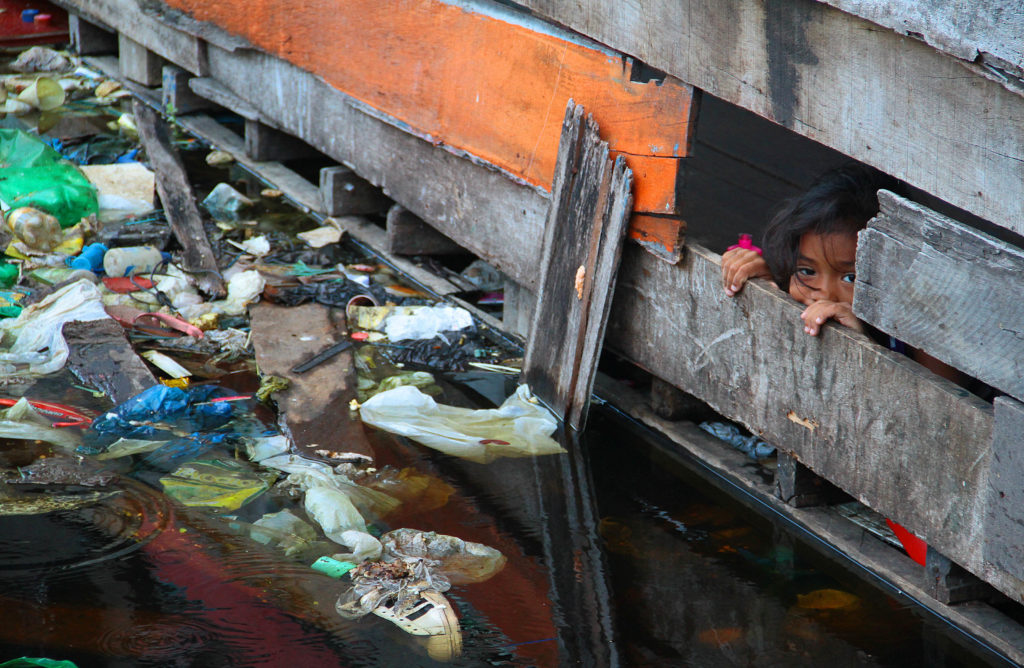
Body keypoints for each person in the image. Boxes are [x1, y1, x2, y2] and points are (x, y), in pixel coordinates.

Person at [720, 162, 976, 388]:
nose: (825, 293)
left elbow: (939, 413)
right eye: (807, 271)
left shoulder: (925, 334)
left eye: (851, 278)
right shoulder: (794, 293)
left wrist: (863, 350)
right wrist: (763, 289)